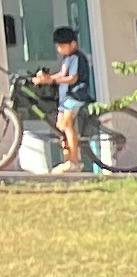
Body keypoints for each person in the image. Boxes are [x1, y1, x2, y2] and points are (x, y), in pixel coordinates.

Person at [27, 24, 94, 174]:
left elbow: (72, 78)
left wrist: (51, 80)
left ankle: (75, 161)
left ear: (73, 44)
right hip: (65, 98)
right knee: (60, 126)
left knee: (68, 124)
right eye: (58, 46)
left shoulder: (76, 57)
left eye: (62, 46)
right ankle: (67, 159)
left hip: (75, 95)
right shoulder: (67, 58)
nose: (59, 49)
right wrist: (46, 79)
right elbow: (61, 74)